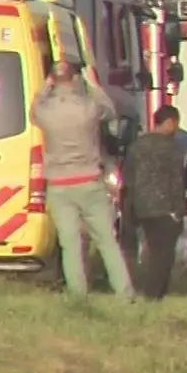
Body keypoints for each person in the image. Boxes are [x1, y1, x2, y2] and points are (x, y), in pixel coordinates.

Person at [30, 59, 136, 301]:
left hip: (59, 185)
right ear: (75, 79)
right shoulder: (88, 108)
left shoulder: (46, 112)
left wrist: (45, 88)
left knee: (70, 244)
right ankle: (125, 293)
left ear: (53, 81)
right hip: (89, 181)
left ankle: (78, 294)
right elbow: (109, 111)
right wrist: (92, 83)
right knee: (107, 241)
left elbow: (33, 112)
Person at [121, 104, 187, 299]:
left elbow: (128, 179)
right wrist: (179, 210)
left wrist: (129, 210)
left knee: (151, 250)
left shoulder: (136, 146)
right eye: (175, 124)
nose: (176, 128)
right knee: (163, 254)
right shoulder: (171, 148)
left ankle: (147, 290)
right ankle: (154, 294)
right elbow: (176, 181)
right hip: (164, 208)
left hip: (141, 207)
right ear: (168, 122)